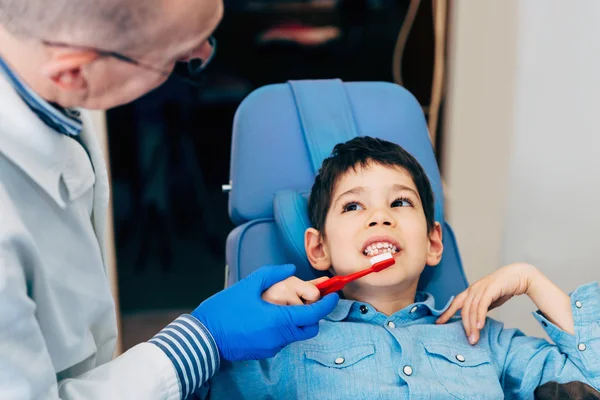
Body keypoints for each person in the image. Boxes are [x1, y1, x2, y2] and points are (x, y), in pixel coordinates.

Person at [0, 1, 339, 399]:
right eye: (180, 57)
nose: (205, 56)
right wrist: (200, 342)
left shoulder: (44, 85)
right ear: (74, 73)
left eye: (208, 35)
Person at [197, 136, 600, 399]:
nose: (380, 217)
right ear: (318, 249)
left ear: (433, 242)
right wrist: (235, 328)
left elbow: (591, 383)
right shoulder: (285, 348)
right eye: (353, 206)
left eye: (400, 202)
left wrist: (532, 280)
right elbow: (172, 385)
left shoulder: (485, 341)